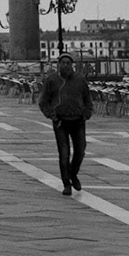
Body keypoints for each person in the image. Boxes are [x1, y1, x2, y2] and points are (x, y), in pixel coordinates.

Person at [37, 53, 93, 196]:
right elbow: (43, 101)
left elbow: (87, 98)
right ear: (58, 64)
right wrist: (52, 116)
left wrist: (86, 114)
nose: (66, 65)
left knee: (80, 151)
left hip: (78, 120)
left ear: (72, 64)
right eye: (63, 63)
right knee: (64, 153)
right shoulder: (51, 80)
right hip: (60, 121)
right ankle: (66, 183)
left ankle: (73, 174)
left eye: (68, 63)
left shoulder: (80, 79)